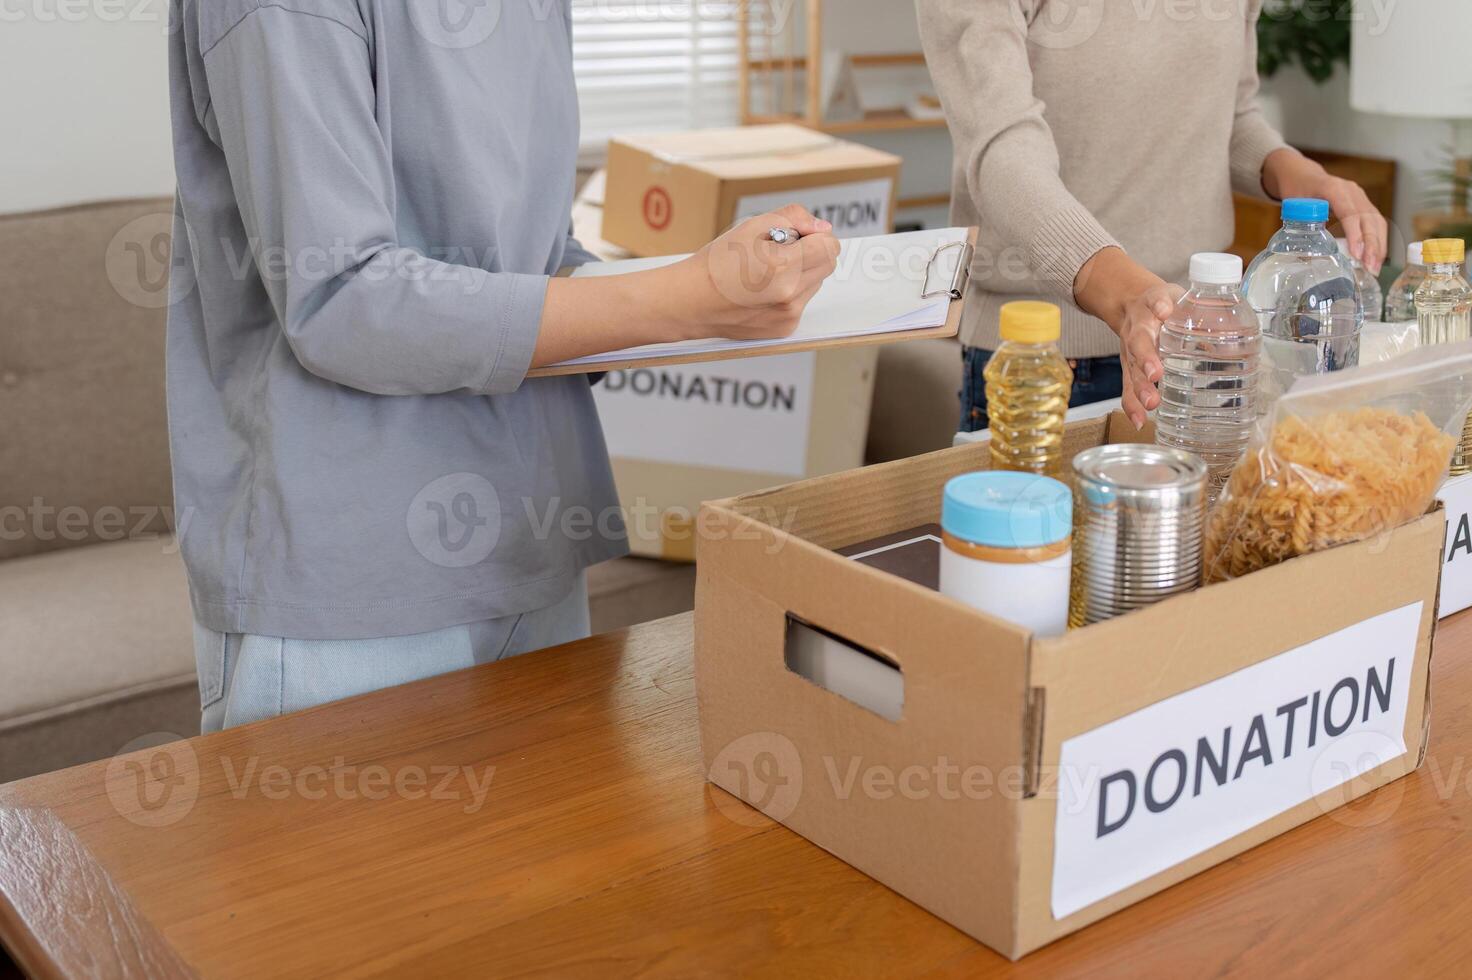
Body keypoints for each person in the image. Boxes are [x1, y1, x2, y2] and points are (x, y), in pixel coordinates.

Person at [167, 0, 839, 731]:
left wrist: (715, 290)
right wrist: (683, 299)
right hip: (355, 579)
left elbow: (537, 259)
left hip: (531, 544)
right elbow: (342, 299)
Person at [917, 0, 1389, 429]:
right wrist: (1129, 297)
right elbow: (1002, 152)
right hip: (1043, 360)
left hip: (1196, 347)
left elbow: (1232, 115)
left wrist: (1304, 177)